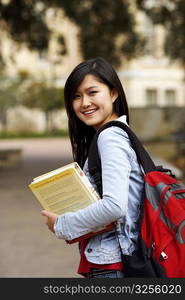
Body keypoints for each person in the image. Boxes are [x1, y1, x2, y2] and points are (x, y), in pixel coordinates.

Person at [41, 57, 144, 278]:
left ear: (113, 92)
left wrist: (62, 224)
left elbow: (115, 206)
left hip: (113, 265)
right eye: (76, 96)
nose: (84, 102)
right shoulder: (117, 133)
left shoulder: (110, 138)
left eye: (92, 92)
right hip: (113, 261)